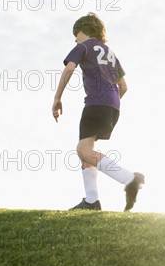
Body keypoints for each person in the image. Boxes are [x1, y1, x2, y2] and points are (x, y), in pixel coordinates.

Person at [52, 12, 144, 211]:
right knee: (86, 151)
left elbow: (69, 69)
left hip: (95, 104)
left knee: (83, 151)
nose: (75, 39)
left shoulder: (83, 47)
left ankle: (130, 179)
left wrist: (57, 98)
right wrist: (110, 102)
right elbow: (124, 87)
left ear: (84, 30)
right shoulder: (110, 53)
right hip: (112, 106)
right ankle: (92, 201)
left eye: (76, 34)